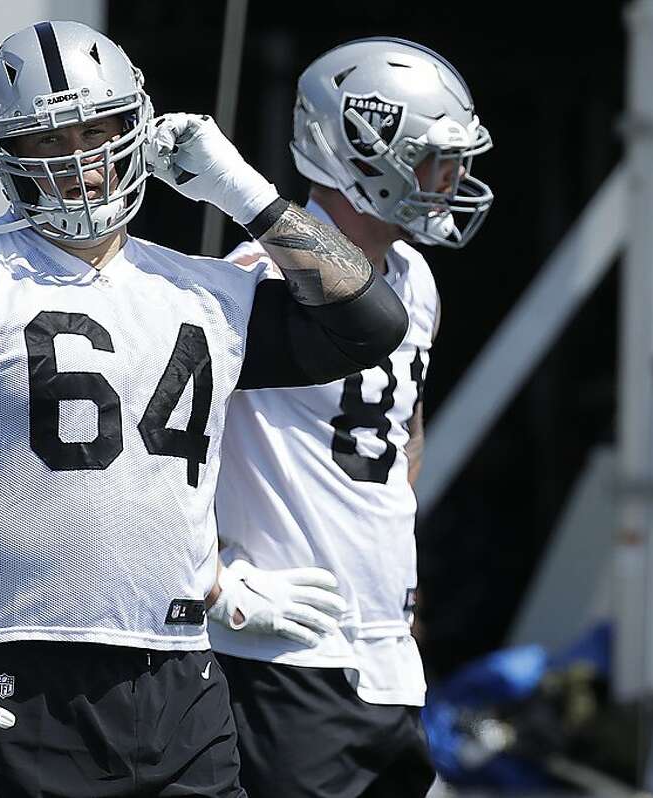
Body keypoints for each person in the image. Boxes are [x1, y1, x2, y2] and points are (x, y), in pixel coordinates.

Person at [0, 21, 409, 797]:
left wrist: (245, 192)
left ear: (136, 127)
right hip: (15, 671)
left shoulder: (206, 291)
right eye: (46, 140)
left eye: (99, 128)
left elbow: (370, 321)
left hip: (180, 677)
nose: (79, 160)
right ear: (4, 154)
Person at [207, 37, 494, 798]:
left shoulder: (415, 277)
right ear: (363, 151)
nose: (453, 179)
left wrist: (395, 582)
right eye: (435, 158)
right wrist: (205, 576)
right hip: (286, 655)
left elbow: (405, 435)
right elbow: (160, 450)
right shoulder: (251, 281)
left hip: (386, 653)